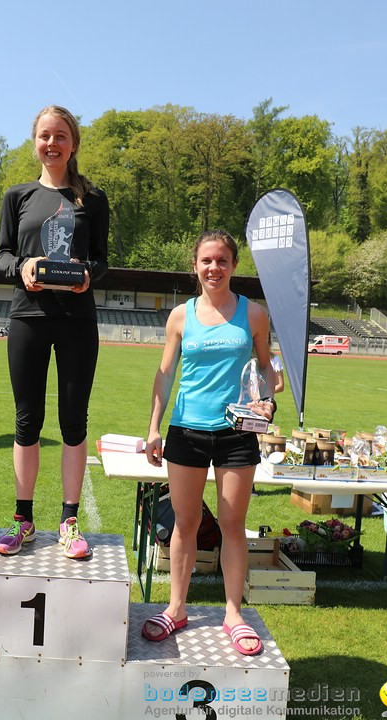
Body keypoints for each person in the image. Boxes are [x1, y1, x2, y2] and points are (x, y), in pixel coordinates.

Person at [142, 230, 276, 656]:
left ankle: (233, 613)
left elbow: (266, 369)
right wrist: (154, 427)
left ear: (234, 265)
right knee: (185, 525)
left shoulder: (254, 315)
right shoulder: (180, 316)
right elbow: (164, 375)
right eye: (206, 261)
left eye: (221, 260)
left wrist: (270, 396)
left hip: (238, 433)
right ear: (195, 266)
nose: (213, 268)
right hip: (187, 432)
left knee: (232, 526)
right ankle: (176, 608)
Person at [0, 105, 109, 559]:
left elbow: (102, 260)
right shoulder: (17, 196)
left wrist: (86, 274)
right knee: (27, 422)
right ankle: (23, 520)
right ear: (35, 142)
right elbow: (1, 256)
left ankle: (68, 522)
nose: (52, 143)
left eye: (60, 136)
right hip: (28, 318)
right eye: (45, 135)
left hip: (78, 321)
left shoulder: (93, 198)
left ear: (73, 143)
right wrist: (21, 266)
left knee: (73, 422)